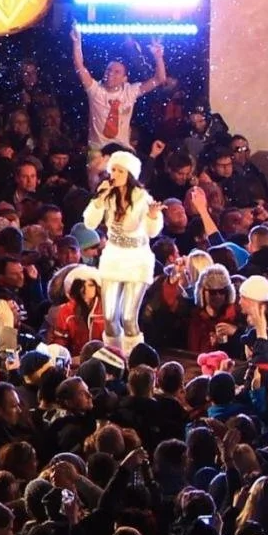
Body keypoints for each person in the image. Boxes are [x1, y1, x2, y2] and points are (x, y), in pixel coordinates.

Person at [81, 150, 161, 351]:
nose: (114, 174)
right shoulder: (108, 195)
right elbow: (90, 223)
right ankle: (114, 358)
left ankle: (134, 361)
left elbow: (150, 232)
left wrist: (152, 216)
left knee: (127, 317)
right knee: (109, 317)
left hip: (136, 259)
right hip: (114, 256)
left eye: (119, 171)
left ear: (130, 175)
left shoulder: (142, 198)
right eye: (113, 170)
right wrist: (98, 200)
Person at [70, 30, 169, 154]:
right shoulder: (95, 89)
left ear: (124, 78)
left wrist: (158, 57)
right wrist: (77, 42)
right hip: (98, 152)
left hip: (121, 151)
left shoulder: (130, 91)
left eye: (117, 72)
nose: (111, 73)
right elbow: (79, 66)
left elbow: (160, 79)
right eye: (109, 70)